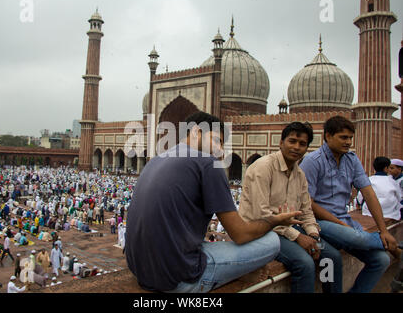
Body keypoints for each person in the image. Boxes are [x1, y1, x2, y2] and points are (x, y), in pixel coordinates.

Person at [125, 111, 301, 293]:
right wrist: (276, 220)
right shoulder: (209, 163)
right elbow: (240, 234)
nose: (221, 151)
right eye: (217, 141)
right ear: (195, 132)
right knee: (272, 241)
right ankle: (232, 274)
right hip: (178, 280)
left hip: (139, 271)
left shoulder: (158, 158)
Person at [299, 115, 399, 293]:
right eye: (343, 137)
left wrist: (383, 230)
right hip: (317, 223)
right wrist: (341, 226)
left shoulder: (351, 159)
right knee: (336, 252)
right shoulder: (312, 161)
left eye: (350, 138)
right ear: (328, 136)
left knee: (381, 260)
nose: (348, 142)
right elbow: (308, 205)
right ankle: (397, 248)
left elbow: (369, 193)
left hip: (343, 220)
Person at [239, 122, 343, 293]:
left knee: (332, 258)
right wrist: (297, 237)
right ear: (281, 143)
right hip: (262, 231)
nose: (296, 147)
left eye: (302, 144)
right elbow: (262, 215)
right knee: (304, 264)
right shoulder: (263, 168)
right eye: (292, 141)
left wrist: (313, 235)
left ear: (307, 148)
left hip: (288, 229)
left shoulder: (299, 174)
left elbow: (307, 211)